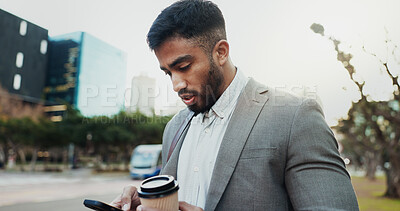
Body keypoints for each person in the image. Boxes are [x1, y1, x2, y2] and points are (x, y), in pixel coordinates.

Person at [111, 0, 359, 210]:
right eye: (168, 73)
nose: (176, 84)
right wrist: (148, 199)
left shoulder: (296, 118)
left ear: (221, 52)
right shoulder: (174, 128)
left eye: (183, 67)